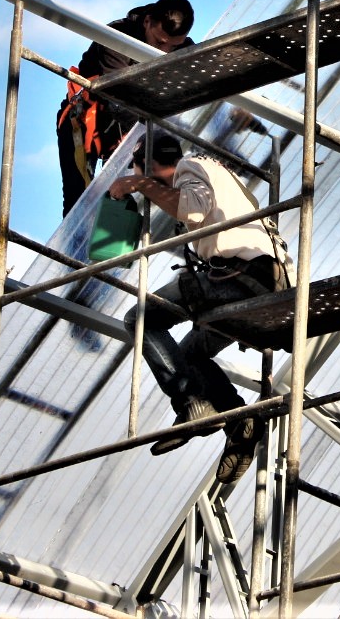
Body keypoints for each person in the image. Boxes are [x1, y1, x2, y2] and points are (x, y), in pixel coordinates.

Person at [113, 133, 288, 485]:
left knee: (141, 318)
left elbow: (192, 208)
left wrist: (137, 184)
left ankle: (189, 401)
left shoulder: (190, 166)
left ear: (147, 163)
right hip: (261, 278)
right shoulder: (218, 175)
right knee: (190, 355)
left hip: (237, 275)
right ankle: (240, 419)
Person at [57, 0, 195, 215]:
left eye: (174, 45)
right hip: (85, 123)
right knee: (79, 201)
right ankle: (72, 249)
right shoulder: (118, 37)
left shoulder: (185, 49)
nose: (165, 51)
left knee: (127, 204)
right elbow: (116, 97)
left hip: (133, 128)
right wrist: (155, 128)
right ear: (148, 21)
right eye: (160, 42)